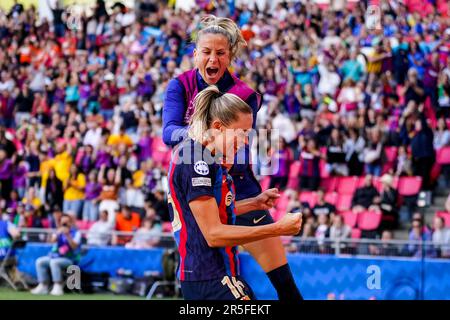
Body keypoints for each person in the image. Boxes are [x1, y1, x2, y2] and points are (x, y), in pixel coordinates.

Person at [162, 15, 302, 300]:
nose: (213, 59)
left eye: (220, 53)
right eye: (206, 51)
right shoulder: (179, 86)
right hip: (204, 183)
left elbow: (234, 153)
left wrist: (252, 202)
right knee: (210, 270)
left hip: (239, 188)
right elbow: (168, 133)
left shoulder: (244, 94)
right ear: (195, 54)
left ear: (230, 56)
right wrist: (204, 139)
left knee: (286, 288)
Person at [30, 214, 82, 296]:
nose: (64, 224)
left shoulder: (76, 233)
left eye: (66, 222)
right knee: (40, 261)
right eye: (63, 223)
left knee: (54, 262)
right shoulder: (58, 231)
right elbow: (51, 242)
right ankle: (43, 285)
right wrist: (57, 234)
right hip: (56, 256)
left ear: (70, 223)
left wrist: (68, 235)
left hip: (70, 259)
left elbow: (74, 247)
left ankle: (58, 286)